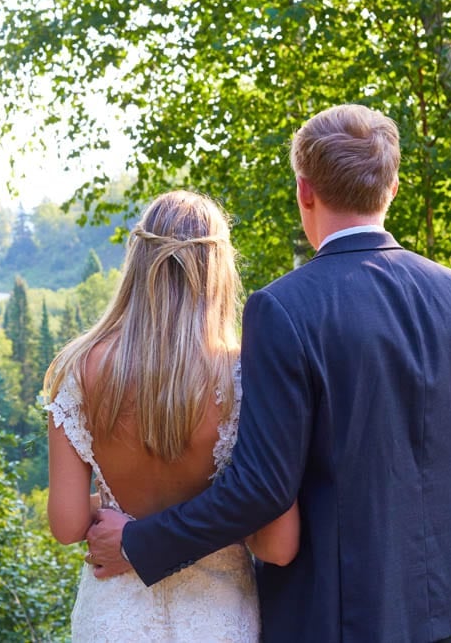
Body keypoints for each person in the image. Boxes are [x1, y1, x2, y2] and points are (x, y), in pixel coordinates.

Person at [86, 105, 451, 643]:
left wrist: (141, 543)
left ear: (304, 191)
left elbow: (262, 488)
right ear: (391, 189)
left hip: (327, 620)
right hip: (438, 615)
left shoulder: (284, 309)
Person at [43, 190, 299, 642]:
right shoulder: (246, 375)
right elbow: (278, 545)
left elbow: (66, 525)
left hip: (113, 618)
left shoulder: (79, 367)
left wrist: (122, 519)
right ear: (219, 268)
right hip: (217, 619)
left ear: (138, 262)